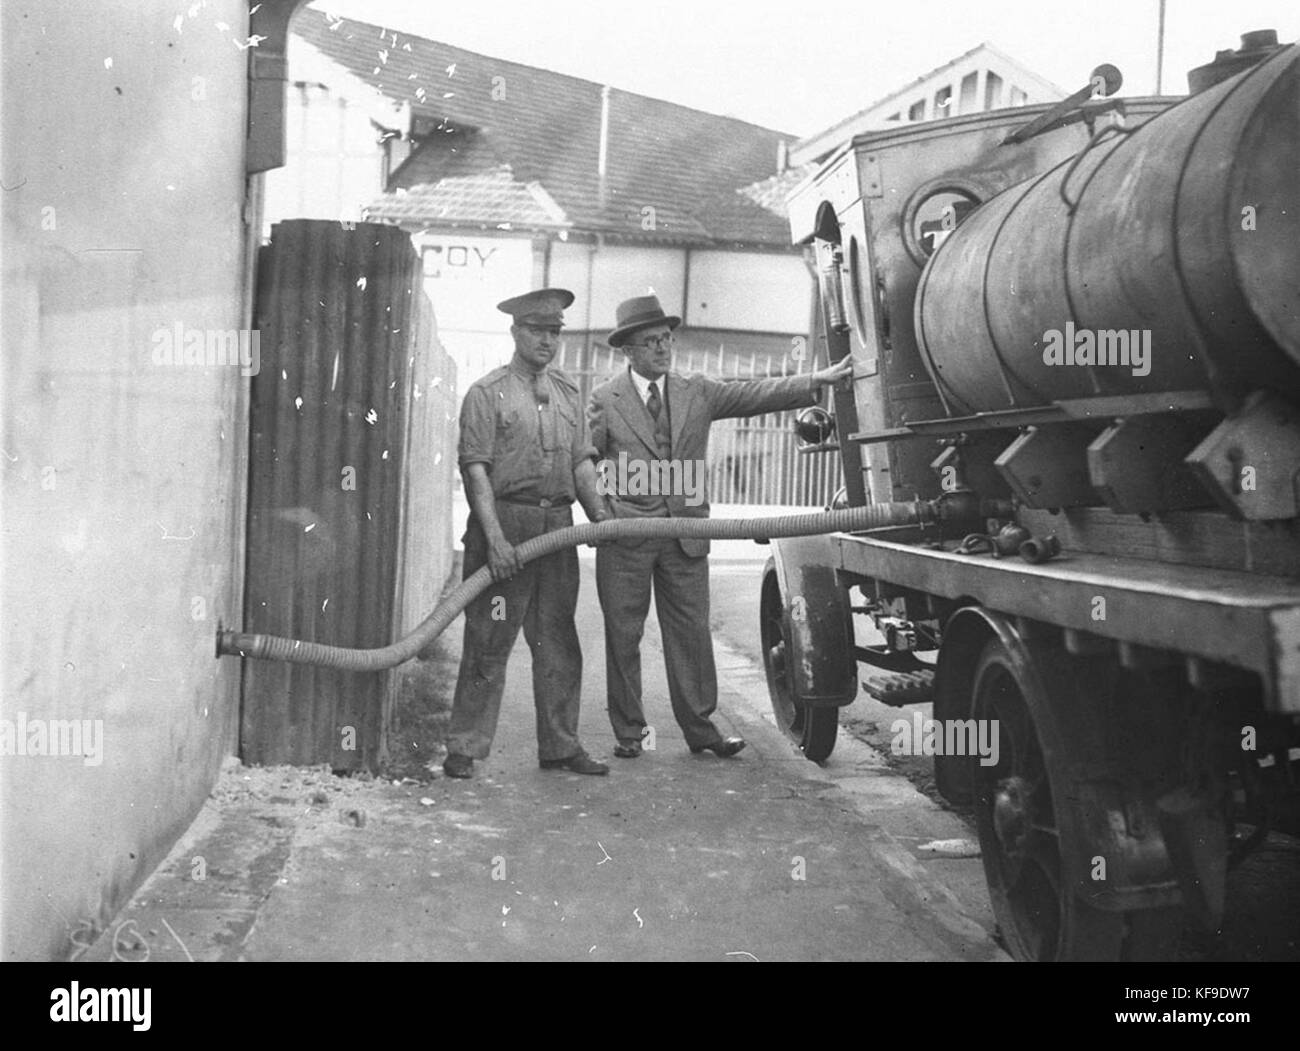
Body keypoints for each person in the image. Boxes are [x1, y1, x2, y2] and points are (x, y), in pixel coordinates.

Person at [588, 294, 852, 759]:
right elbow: (584, 461)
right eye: (650, 342)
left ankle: (702, 731)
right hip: (625, 538)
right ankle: (629, 733)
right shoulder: (604, 399)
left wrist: (817, 380)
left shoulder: (698, 391)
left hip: (686, 536)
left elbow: (754, 395)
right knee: (623, 636)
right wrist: (601, 512)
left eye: (666, 339)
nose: (661, 348)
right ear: (627, 350)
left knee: (690, 634)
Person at [443, 288, 612, 780]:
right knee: (488, 640)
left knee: (559, 641)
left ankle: (560, 745)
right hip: (506, 528)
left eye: (555, 332)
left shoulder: (567, 393)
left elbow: (582, 462)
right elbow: (476, 472)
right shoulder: (486, 393)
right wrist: (494, 541)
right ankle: (464, 747)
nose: (547, 341)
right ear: (515, 332)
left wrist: (600, 515)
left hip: (556, 531)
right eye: (537, 331)